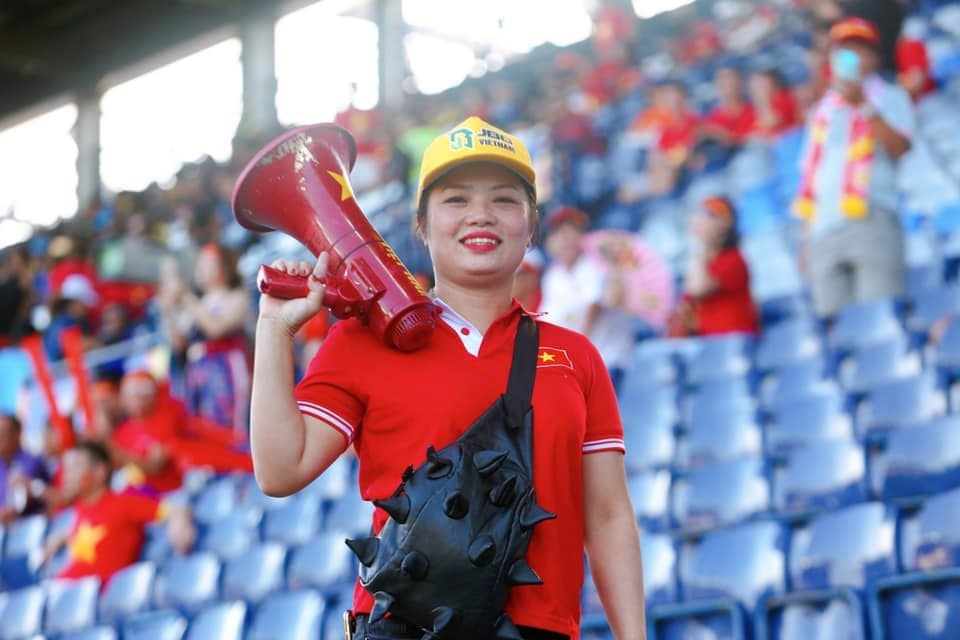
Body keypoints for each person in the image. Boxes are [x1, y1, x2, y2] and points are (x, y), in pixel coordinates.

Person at [249, 117, 645, 640]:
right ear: (421, 225)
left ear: (530, 227)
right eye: (456, 199)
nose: (481, 214)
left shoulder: (578, 356)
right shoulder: (359, 342)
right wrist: (273, 331)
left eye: (505, 200)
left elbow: (609, 515)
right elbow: (280, 471)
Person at [794, 17, 914, 321]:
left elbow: (899, 148)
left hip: (871, 217)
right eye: (842, 51)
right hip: (823, 229)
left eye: (858, 49)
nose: (850, 57)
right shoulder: (822, 110)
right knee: (836, 329)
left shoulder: (891, 95)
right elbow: (811, 177)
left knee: (881, 319)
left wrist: (863, 104)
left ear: (874, 57)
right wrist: (805, 239)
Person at [42, 440, 195, 585]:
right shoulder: (80, 508)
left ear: (100, 471)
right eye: (66, 469)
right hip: (64, 590)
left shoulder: (124, 503)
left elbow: (176, 509)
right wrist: (62, 537)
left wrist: (179, 520)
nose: (67, 476)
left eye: (74, 468)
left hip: (102, 596)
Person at [539, 207, 636, 392]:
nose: (566, 239)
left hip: (607, 361)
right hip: (576, 366)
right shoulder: (553, 276)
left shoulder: (597, 264)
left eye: (572, 231)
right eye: (558, 233)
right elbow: (547, 321)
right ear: (549, 242)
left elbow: (593, 308)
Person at [158, 242, 252, 434]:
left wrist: (185, 296)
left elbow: (215, 329)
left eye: (208, 264)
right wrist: (168, 311)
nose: (201, 269)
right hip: (198, 371)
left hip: (225, 367)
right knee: (202, 429)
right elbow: (179, 343)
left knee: (228, 426)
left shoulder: (236, 297)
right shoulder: (198, 304)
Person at [673, 197, 759, 337]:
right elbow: (688, 305)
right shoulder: (705, 262)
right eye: (698, 215)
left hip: (734, 342)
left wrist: (698, 248)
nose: (699, 221)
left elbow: (698, 289)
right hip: (709, 342)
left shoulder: (734, 259)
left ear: (726, 222)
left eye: (709, 216)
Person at [0, 413, 49, 524]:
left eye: (2, 434)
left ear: (16, 435)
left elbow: (19, 506)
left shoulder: (31, 462)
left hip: (29, 526)